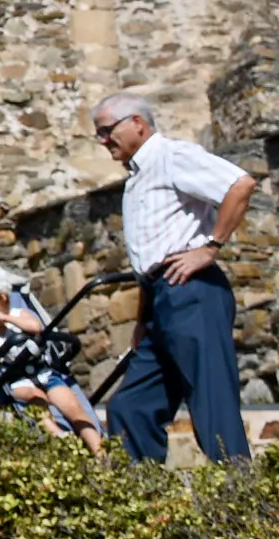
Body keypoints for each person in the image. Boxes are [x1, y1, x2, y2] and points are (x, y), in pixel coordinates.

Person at [93, 93, 258, 462]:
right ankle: (144, 492)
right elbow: (149, 257)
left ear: (137, 123)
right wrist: (142, 320)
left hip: (192, 291)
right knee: (130, 407)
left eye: (106, 131)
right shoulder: (137, 177)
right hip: (159, 299)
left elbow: (241, 185)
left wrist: (210, 247)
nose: (103, 141)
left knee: (211, 399)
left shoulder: (171, 156)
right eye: (98, 134)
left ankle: (240, 488)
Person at [0, 280, 107, 454]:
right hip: (18, 381)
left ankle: (100, 452)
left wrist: (7, 319)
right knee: (36, 399)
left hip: (44, 373)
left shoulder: (19, 314)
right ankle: (59, 436)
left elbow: (36, 327)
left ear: (2, 297)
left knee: (73, 407)